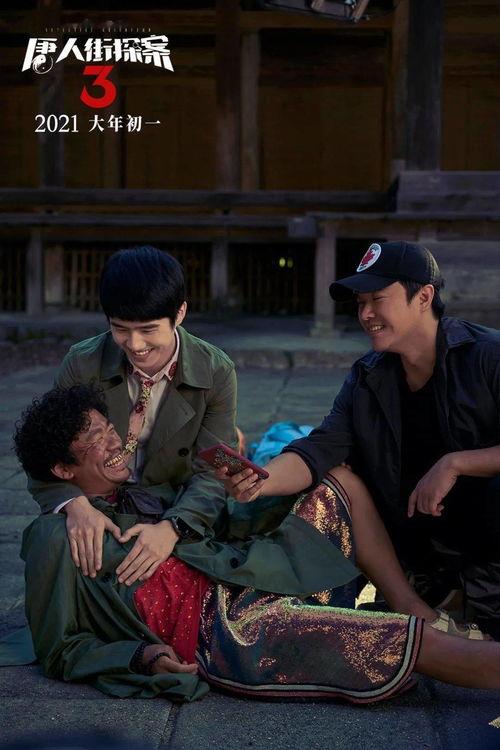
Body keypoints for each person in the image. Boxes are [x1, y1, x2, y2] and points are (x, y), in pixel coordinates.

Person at [11, 384, 500, 704]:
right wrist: (141, 656)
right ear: (62, 470)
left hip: (245, 574)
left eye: (108, 428)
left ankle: (413, 604)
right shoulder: (54, 536)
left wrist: (255, 489)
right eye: (94, 439)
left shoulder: (138, 494)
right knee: (389, 639)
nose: (114, 441)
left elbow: (218, 519)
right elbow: (60, 648)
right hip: (227, 632)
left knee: (339, 482)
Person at [220, 241, 500, 639]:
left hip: (486, 541)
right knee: (338, 479)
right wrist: (260, 480)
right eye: (360, 303)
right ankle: (417, 605)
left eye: (377, 300)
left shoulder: (487, 356)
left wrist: (456, 463)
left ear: (424, 297)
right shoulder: (369, 376)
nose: (365, 314)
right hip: (418, 544)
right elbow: (320, 448)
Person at [27, 245, 239, 588]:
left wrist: (173, 527)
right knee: (52, 544)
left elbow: (214, 473)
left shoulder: (216, 371)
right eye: (120, 328)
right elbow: (46, 448)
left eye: (148, 329)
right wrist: (74, 504)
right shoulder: (82, 363)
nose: (135, 344)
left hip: (173, 506)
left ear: (180, 313)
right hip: (97, 501)